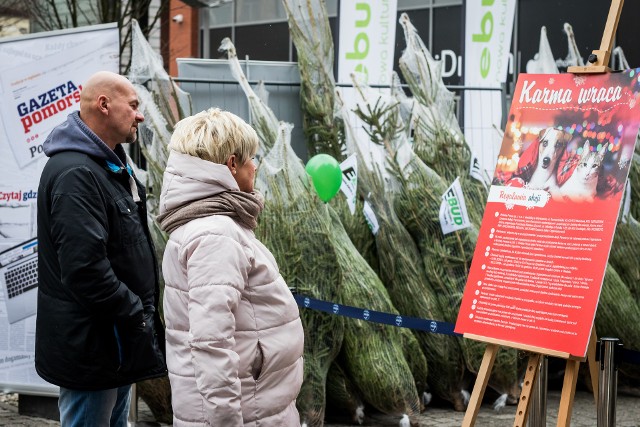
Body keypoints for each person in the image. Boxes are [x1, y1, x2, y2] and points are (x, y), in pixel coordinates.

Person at [157, 108, 304, 426]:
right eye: (251, 158)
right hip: (247, 412)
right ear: (231, 164)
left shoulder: (207, 225)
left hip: (253, 405)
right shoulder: (215, 233)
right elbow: (212, 342)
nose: (255, 167)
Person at [36, 71, 167, 426]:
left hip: (116, 342)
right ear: (104, 105)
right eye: (134, 105)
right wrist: (135, 311)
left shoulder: (109, 164)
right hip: (95, 346)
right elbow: (85, 269)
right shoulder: (76, 174)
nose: (140, 115)